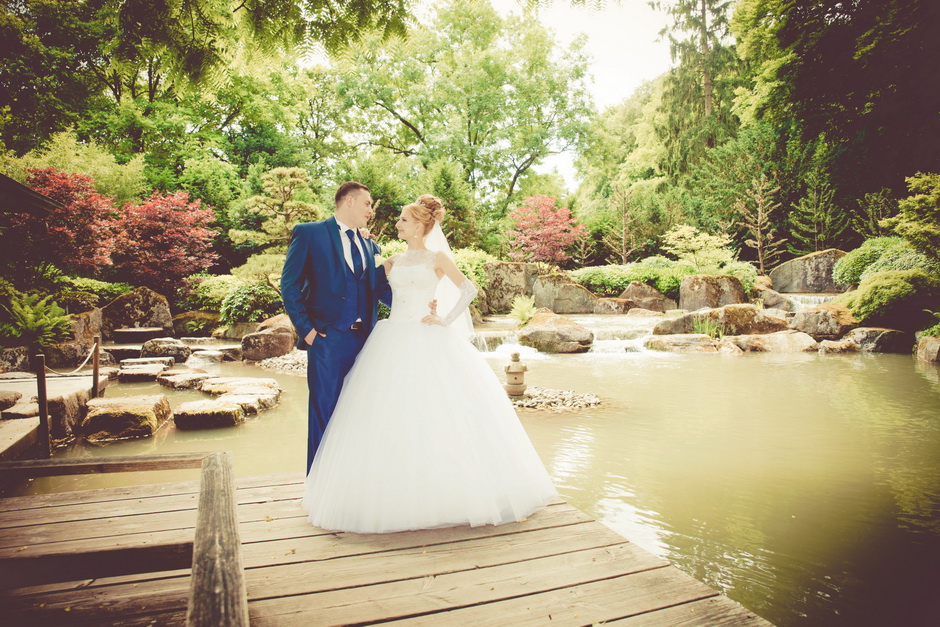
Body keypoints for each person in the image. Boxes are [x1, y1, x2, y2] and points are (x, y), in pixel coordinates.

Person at [302, 195, 557, 534]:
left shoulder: (438, 258)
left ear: (420, 226)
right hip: (391, 338)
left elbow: (469, 289)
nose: (397, 225)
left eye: (403, 221)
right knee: (388, 415)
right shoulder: (390, 261)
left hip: (428, 335)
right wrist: (365, 244)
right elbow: (358, 282)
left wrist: (446, 319)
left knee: (439, 412)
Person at [280, 181, 393, 473]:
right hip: (327, 340)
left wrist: (389, 321)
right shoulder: (309, 234)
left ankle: (350, 482)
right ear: (350, 202)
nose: (371, 209)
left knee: (360, 413)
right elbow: (289, 285)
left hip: (366, 342)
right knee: (324, 412)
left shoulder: (371, 245)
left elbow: (382, 291)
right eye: (368, 203)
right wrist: (307, 331)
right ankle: (317, 487)